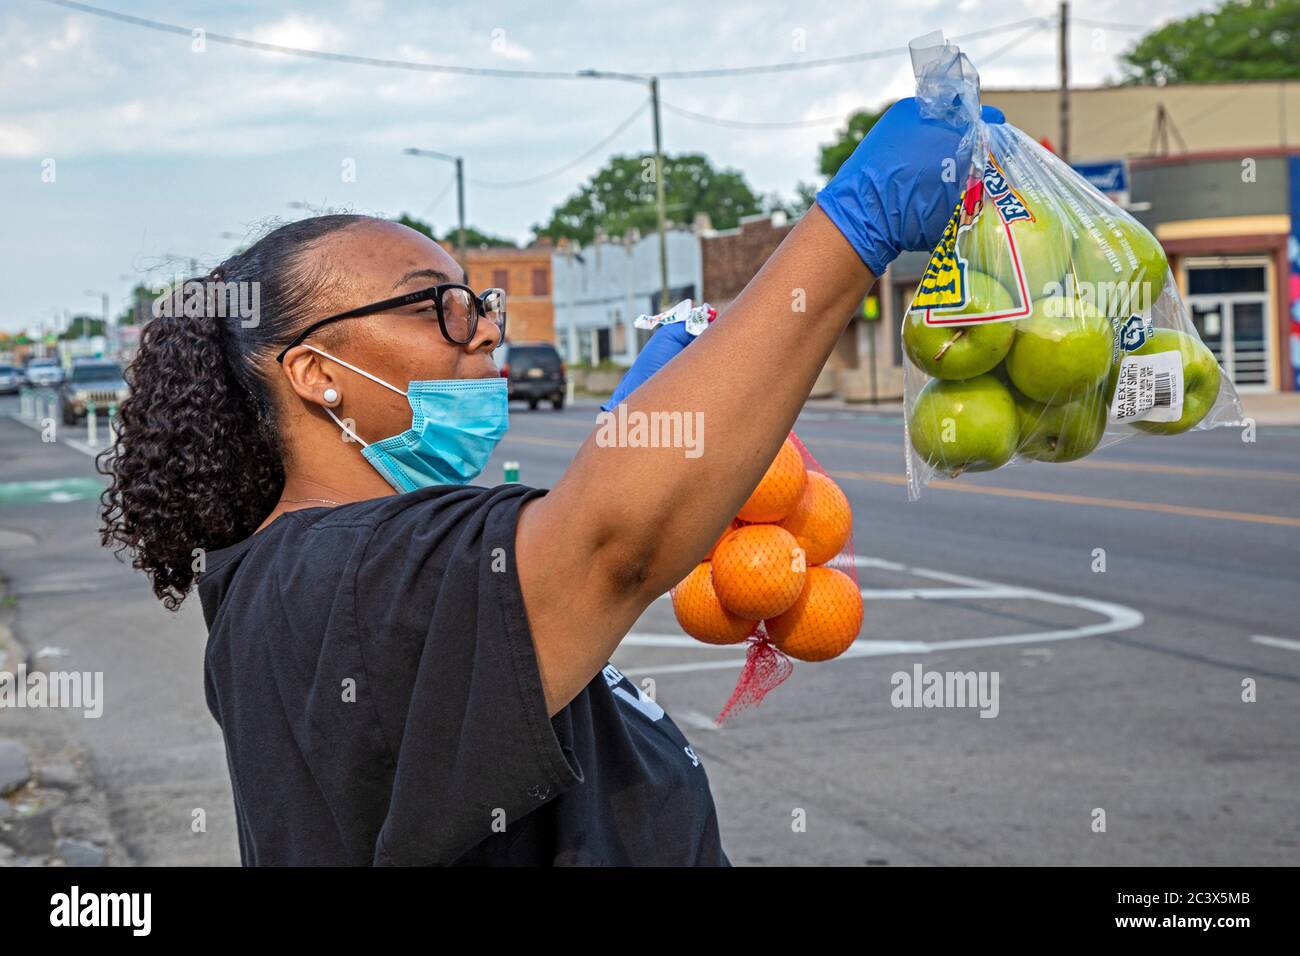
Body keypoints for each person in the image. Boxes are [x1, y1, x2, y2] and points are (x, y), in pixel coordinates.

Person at [100, 98, 1003, 866]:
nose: (485, 328)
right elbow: (614, 546)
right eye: (438, 306)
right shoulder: (328, 577)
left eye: (481, 301)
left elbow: (562, 550)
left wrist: (642, 429)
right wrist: (852, 229)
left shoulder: (356, 563)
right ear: (314, 373)